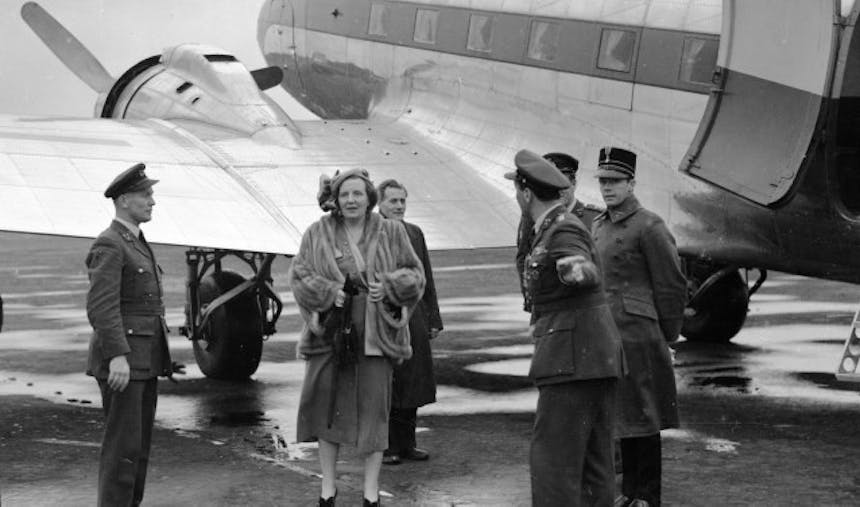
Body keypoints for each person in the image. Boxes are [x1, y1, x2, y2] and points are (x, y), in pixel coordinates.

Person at [289, 168, 426, 507]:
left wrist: (391, 286)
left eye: (358, 194)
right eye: (344, 194)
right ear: (335, 199)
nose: (351, 200)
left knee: (374, 410)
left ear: (369, 199)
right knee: (326, 408)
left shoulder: (392, 231)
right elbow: (299, 275)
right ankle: (327, 489)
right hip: (331, 333)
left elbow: (415, 275)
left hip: (376, 332)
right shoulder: (317, 232)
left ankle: (370, 491)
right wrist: (328, 292)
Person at [506, 149, 623, 506]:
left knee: (553, 462)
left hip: (571, 359)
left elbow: (585, 272)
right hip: (590, 357)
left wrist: (573, 271)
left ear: (526, 193)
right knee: (593, 463)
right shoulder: (551, 227)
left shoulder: (562, 228)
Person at [591, 147, 687, 507]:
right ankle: (629, 492)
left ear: (632, 183)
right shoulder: (598, 225)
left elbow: (671, 283)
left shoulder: (649, 225)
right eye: (603, 181)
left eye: (615, 181)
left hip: (640, 334)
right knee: (624, 414)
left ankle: (646, 495)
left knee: (644, 416)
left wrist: (667, 333)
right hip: (609, 332)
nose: (608, 188)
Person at [85, 162, 175, 506]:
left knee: (136, 449)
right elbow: (101, 307)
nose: (152, 201)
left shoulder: (133, 240)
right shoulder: (110, 243)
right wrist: (117, 356)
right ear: (124, 200)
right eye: (145, 194)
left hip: (143, 359)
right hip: (124, 361)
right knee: (122, 449)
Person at [375, 179, 443, 465]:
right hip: (383, 315)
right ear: (380, 203)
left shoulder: (414, 232)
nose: (399, 206)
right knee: (389, 382)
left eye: (402, 201)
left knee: (414, 380)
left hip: (413, 315)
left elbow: (425, 274)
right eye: (393, 201)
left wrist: (433, 318)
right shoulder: (372, 233)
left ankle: (408, 444)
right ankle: (387, 446)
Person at [515, 152, 603, 312]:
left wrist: (579, 271)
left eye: (561, 183)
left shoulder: (566, 225)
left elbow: (588, 270)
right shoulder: (538, 221)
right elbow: (523, 259)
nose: (557, 189)